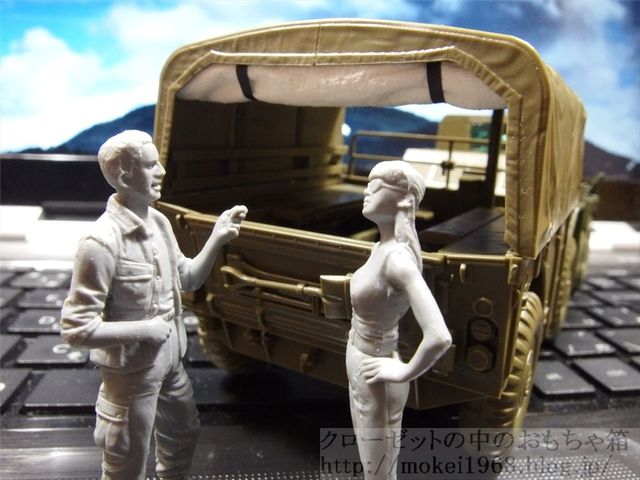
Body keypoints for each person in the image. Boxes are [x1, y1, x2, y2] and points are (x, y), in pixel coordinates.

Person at [60, 130, 247, 480]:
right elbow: (76, 329)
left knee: (183, 434)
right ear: (124, 176)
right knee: (127, 458)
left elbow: (187, 278)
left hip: (171, 362)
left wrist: (217, 237)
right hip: (131, 374)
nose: (161, 171)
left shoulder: (159, 223)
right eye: (150, 165)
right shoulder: (100, 242)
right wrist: (144, 330)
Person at [346, 161, 452, 480]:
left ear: (403, 199)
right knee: (372, 467)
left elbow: (439, 336)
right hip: (360, 362)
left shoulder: (397, 261)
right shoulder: (381, 247)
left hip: (377, 372)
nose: (366, 191)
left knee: (379, 472)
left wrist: (405, 371)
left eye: (376, 185)